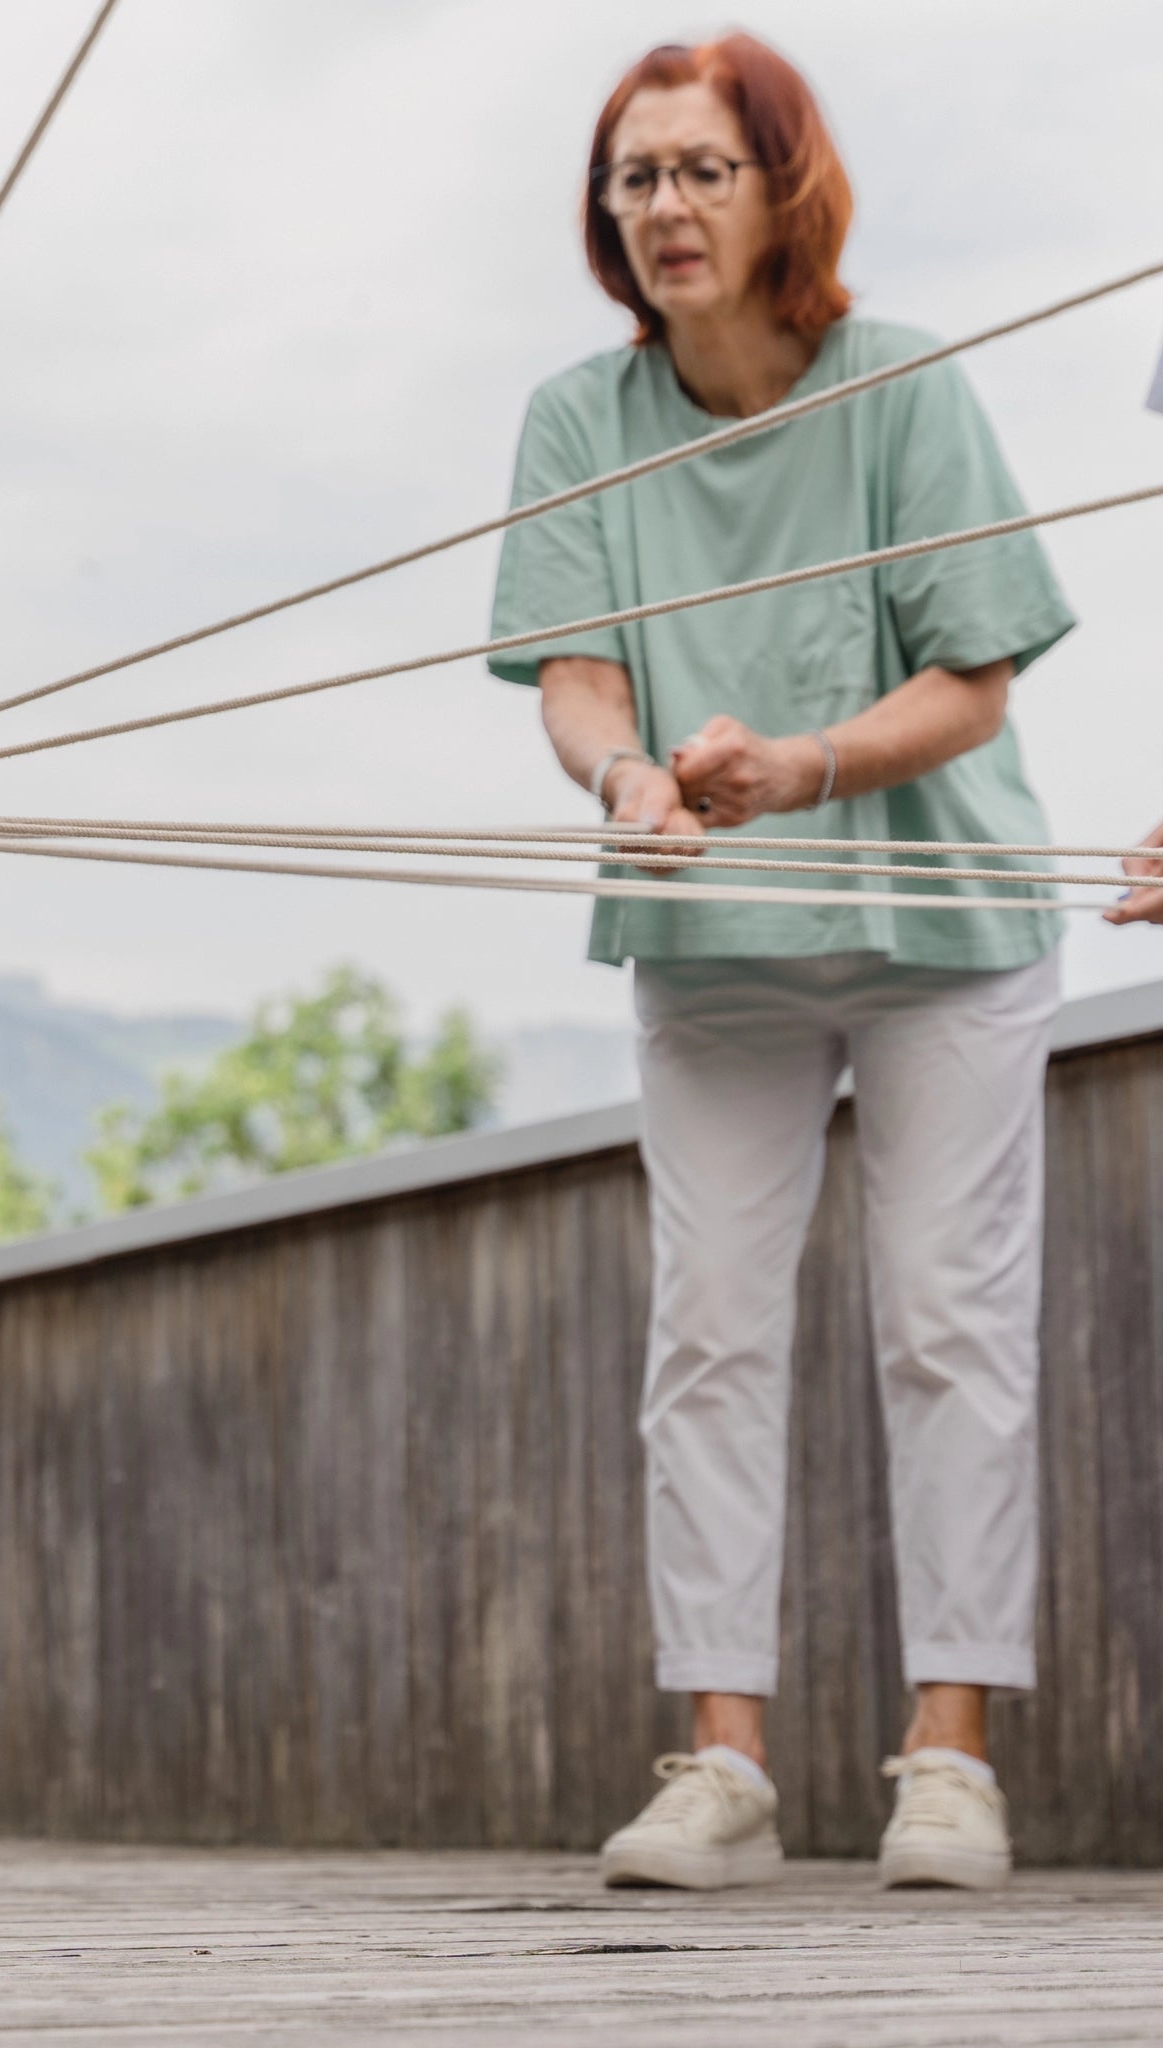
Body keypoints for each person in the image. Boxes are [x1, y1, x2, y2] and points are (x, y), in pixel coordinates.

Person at [488, 35, 1074, 1891]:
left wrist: (807, 765)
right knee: (710, 1337)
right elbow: (578, 676)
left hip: (942, 930)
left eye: (698, 172)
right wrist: (628, 774)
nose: (662, 206)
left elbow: (973, 683)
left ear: (779, 188)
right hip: (712, 933)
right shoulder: (580, 417)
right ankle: (724, 1763)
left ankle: (950, 1759)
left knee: (949, 1327)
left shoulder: (906, 388)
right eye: (634, 176)